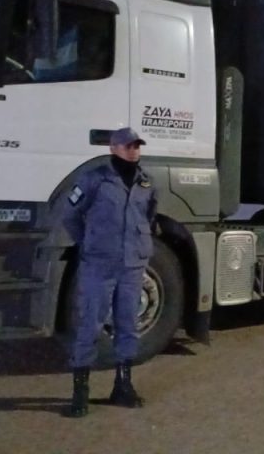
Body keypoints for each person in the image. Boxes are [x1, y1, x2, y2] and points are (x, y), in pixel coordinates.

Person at [61, 126, 157, 418]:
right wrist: (89, 243)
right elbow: (70, 215)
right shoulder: (94, 179)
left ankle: (123, 386)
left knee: (128, 324)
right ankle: (81, 392)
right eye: (128, 146)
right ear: (114, 148)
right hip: (100, 264)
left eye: (137, 146)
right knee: (90, 323)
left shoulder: (146, 182)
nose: (134, 151)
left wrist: (140, 244)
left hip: (132, 264)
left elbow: (148, 215)